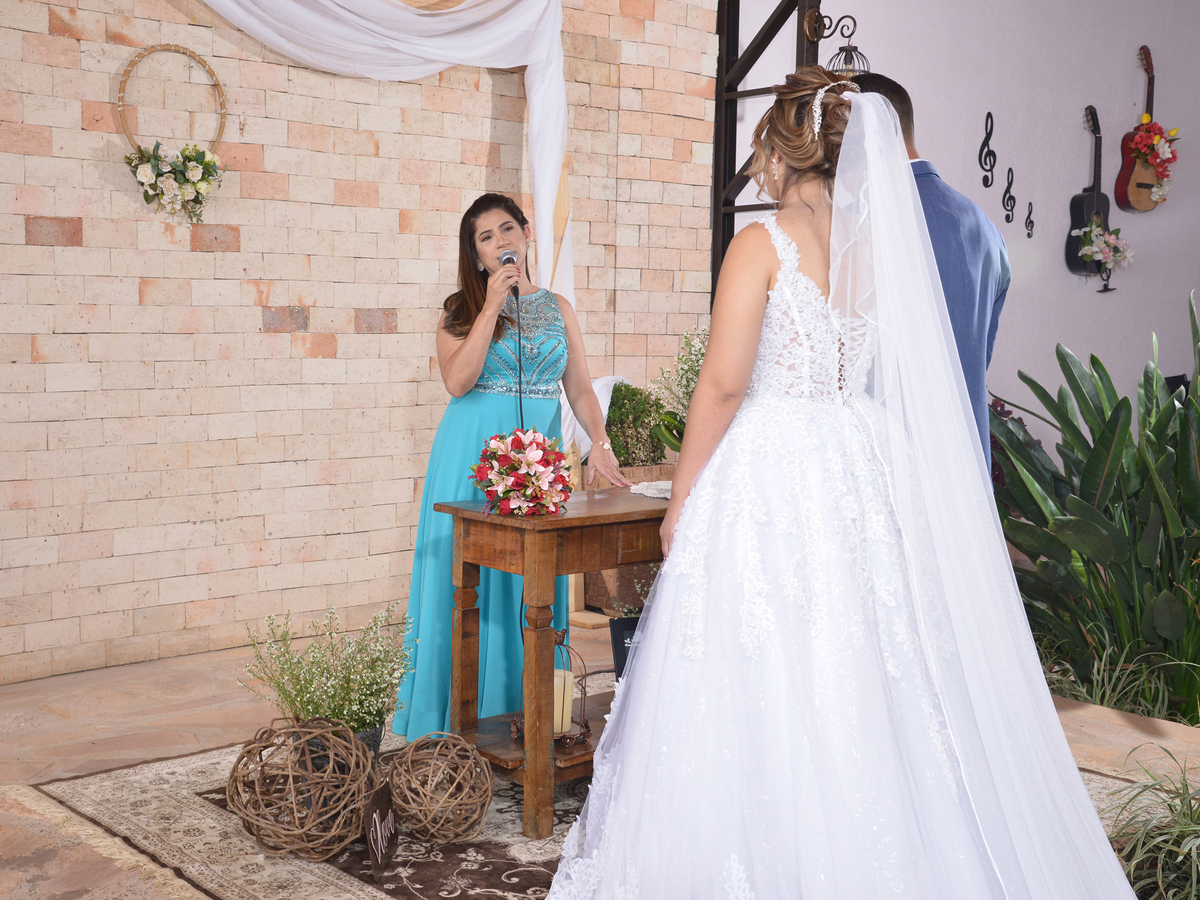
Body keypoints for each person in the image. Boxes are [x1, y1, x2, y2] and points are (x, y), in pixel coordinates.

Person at [549, 70, 1134, 899]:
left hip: (775, 457)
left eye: (759, 143)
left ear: (782, 150)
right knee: (863, 658)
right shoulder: (874, 250)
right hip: (855, 464)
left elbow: (720, 386)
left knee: (759, 656)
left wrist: (681, 501)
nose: (753, 162)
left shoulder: (760, 243)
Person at [393, 192, 628, 741]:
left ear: (526, 235)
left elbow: (579, 387)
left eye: (507, 230)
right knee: (467, 579)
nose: (501, 242)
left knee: (534, 576)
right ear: (476, 255)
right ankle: (453, 717)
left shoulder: (558, 307)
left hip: (537, 457)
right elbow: (457, 381)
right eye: (486, 237)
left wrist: (600, 441)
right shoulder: (460, 309)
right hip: (472, 455)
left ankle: (532, 710)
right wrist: (492, 307)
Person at [853, 72, 1010, 470]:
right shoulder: (985, 227)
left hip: (889, 458)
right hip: (965, 456)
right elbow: (979, 353)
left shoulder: (865, 220)